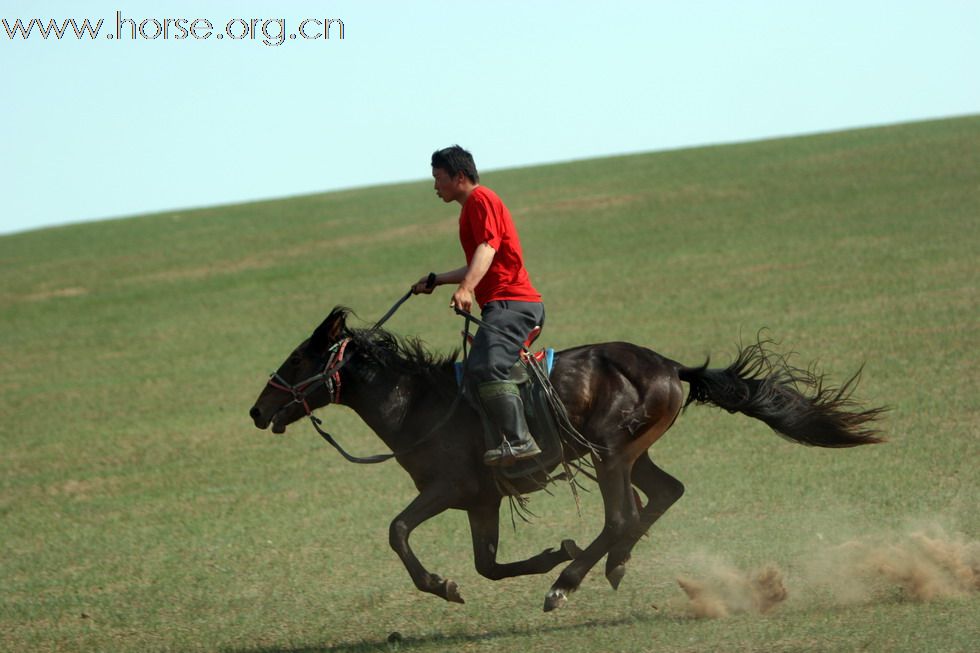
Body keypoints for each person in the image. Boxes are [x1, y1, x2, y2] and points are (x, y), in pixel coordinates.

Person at [412, 145, 544, 466]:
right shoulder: (469, 208)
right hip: (501, 305)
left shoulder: (481, 199)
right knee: (476, 370)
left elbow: (488, 247)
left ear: (459, 177)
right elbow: (477, 261)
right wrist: (438, 279)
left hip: (514, 303)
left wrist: (466, 287)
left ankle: (519, 440)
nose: (435, 186)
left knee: (486, 367)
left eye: (438, 178)